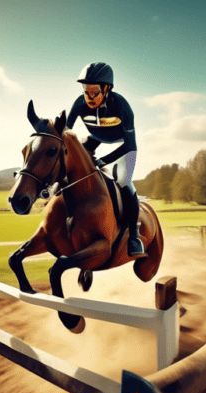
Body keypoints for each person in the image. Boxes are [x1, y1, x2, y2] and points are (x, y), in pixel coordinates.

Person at [66, 62, 144, 256]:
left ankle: (134, 236)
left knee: (124, 181)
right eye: (86, 92)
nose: (90, 98)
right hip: (96, 139)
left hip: (123, 145)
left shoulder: (122, 106)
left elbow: (130, 145)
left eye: (94, 93)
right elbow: (65, 132)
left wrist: (104, 160)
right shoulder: (79, 103)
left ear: (107, 88)